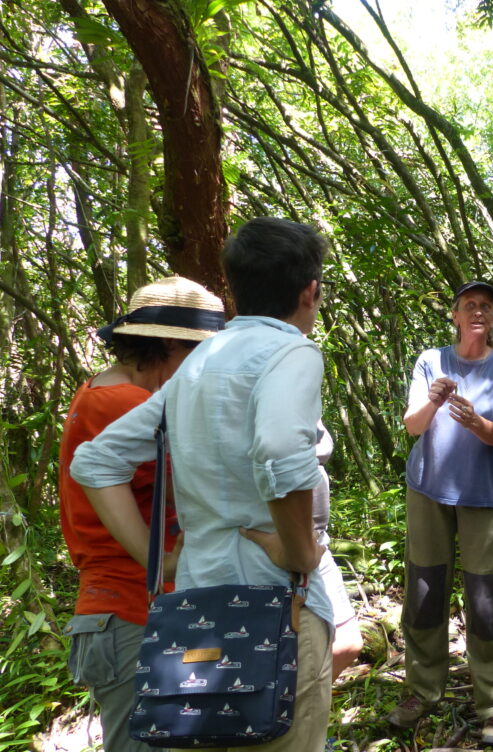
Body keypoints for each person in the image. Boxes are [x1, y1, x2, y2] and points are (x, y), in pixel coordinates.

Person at [72, 217, 335, 752]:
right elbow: (283, 452)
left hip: (199, 610)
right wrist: (301, 550)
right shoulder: (292, 352)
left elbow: (96, 464)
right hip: (276, 606)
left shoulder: (195, 366)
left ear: (236, 289)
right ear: (310, 292)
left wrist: (164, 561)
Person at [59, 276, 224, 752]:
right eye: (197, 351)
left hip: (123, 610)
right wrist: (163, 563)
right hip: (134, 610)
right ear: (170, 343)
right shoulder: (127, 404)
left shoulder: (96, 390)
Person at [389, 280, 493, 746]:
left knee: (487, 602)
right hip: (429, 490)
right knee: (425, 593)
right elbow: (412, 426)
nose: (478, 312)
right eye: (470, 306)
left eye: (486, 306)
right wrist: (434, 399)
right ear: (455, 314)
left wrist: (478, 423)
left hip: (485, 495)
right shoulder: (431, 360)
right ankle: (422, 691)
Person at [313, 422, 364, 679]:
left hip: (316, 542)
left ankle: (297, 714)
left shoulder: (298, 385)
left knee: (346, 643)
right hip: (281, 543)